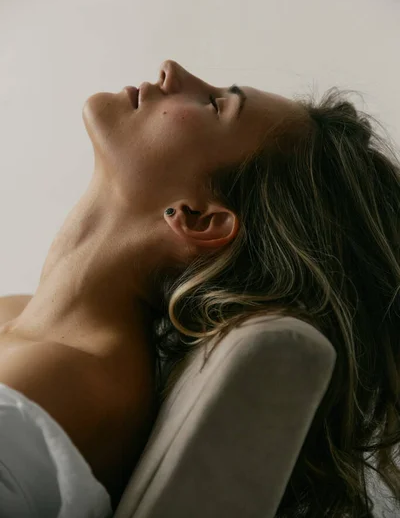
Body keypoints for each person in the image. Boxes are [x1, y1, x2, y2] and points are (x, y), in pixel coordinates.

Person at [0, 59, 399, 517]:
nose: (173, 70)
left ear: (197, 218)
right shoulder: (24, 322)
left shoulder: (68, 381)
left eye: (214, 104)